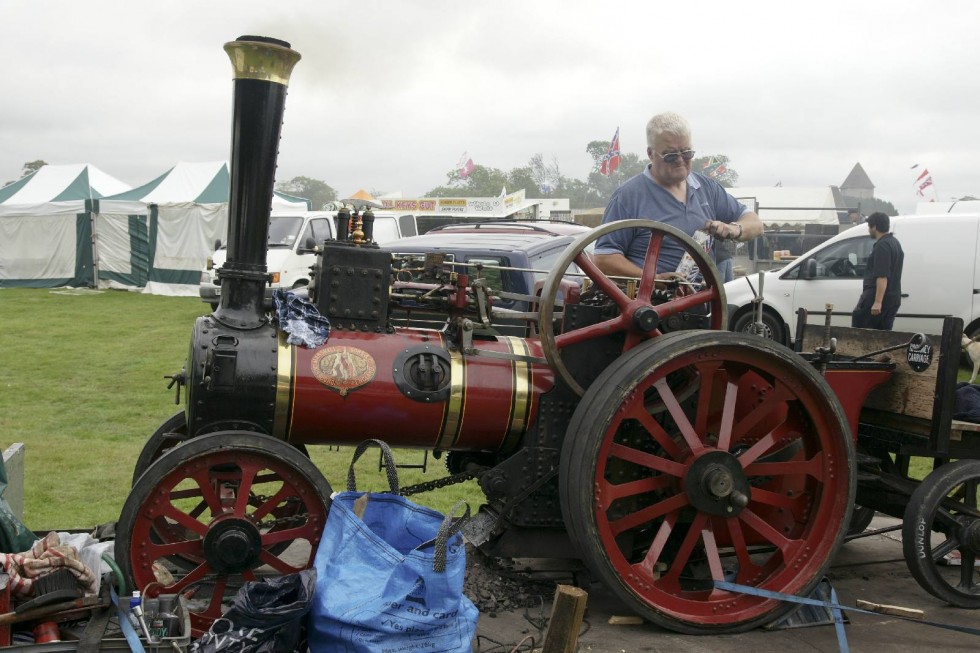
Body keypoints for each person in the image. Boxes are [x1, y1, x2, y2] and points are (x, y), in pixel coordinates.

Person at [594, 112, 762, 290]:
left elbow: (755, 223)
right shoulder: (627, 196)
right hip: (648, 309)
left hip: (701, 307)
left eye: (687, 153)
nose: (681, 161)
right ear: (651, 154)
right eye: (671, 155)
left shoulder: (707, 189)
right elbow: (604, 258)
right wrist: (653, 280)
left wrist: (734, 229)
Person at [851, 212, 904, 330]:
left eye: (869, 226)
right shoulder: (894, 243)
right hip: (893, 298)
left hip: (877, 299)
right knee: (883, 336)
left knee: (861, 332)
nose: (868, 229)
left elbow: (882, 276)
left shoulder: (882, 246)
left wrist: (877, 301)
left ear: (874, 227)